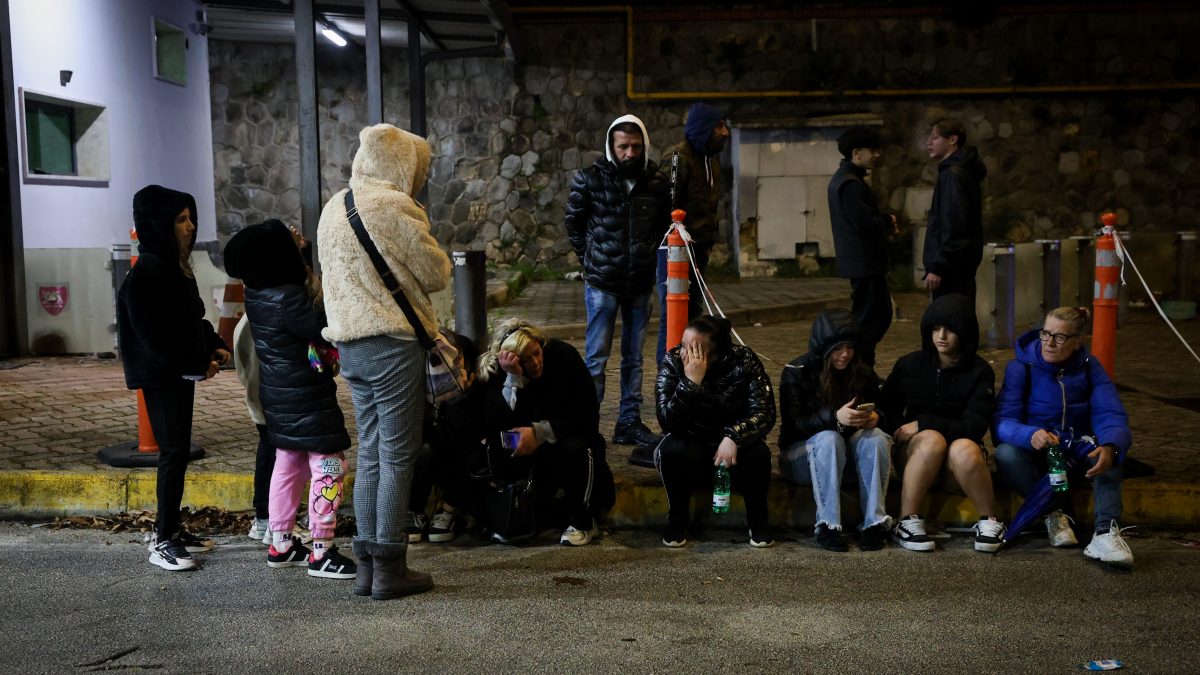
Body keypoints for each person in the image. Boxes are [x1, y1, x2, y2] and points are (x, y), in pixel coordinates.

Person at [318, 123, 451, 600]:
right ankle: (391, 567)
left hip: (350, 345)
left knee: (371, 451)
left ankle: (367, 566)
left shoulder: (333, 207)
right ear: (402, 164)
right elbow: (436, 273)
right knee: (397, 455)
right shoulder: (393, 205)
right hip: (392, 342)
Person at [225, 219, 356, 580]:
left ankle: (281, 543)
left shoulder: (257, 293)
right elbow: (324, 325)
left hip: (278, 400)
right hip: (307, 398)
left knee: (287, 467)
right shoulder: (291, 299)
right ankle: (321, 550)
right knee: (329, 467)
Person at [117, 185, 230, 572]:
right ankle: (162, 539)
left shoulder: (176, 267)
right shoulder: (149, 271)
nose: (190, 226)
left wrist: (212, 344)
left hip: (177, 372)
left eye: (190, 218)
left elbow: (191, 320)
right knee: (171, 452)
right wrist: (195, 365)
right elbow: (154, 336)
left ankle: (173, 530)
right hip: (161, 375)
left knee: (178, 450)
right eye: (180, 219)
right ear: (158, 224)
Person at [993, 306, 1134, 568]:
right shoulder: (1021, 367)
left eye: (1059, 337)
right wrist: (1030, 434)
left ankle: (1105, 534)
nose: (1049, 342)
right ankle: (1054, 514)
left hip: (1076, 448)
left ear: (1077, 341)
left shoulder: (1090, 368)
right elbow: (1003, 422)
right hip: (1041, 451)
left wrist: (1112, 444)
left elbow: (1110, 413)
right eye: (1045, 333)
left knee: (1109, 455)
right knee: (1005, 454)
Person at [564, 114, 670, 452]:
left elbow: (664, 226)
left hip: (640, 283)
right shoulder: (589, 179)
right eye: (623, 146)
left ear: (644, 146)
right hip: (602, 284)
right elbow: (574, 224)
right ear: (611, 147)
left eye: (635, 147)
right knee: (595, 357)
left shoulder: (657, 182)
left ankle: (628, 423)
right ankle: (587, 425)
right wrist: (592, 259)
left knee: (634, 358)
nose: (629, 153)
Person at [878, 293, 1006, 552]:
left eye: (950, 330)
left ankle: (990, 521)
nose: (942, 336)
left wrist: (924, 422)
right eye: (936, 328)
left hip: (957, 468)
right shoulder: (910, 365)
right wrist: (907, 428)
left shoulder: (979, 371)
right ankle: (907, 521)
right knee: (931, 439)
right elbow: (886, 410)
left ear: (965, 333)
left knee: (963, 446)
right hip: (916, 458)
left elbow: (974, 425)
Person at [477, 319, 615, 546]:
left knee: (575, 448)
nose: (534, 362)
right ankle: (512, 514)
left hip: (563, 437)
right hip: (526, 446)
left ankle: (584, 520)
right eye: (525, 359)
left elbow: (587, 413)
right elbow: (494, 422)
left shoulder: (562, 356)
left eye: (536, 353)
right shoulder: (499, 370)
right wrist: (513, 380)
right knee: (503, 442)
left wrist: (540, 433)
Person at [655, 315, 776, 548]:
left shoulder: (744, 361)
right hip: (692, 442)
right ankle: (677, 520)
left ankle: (758, 522)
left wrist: (733, 434)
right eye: (683, 344)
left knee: (759, 453)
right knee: (672, 450)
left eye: (692, 349)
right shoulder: (673, 361)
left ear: (714, 354)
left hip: (731, 448)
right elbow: (668, 421)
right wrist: (691, 383)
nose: (682, 353)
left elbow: (764, 412)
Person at [778, 309, 892, 552]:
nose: (845, 355)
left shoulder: (861, 370)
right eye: (838, 349)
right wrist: (834, 418)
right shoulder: (797, 371)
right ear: (824, 348)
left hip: (846, 458)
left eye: (850, 348)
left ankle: (874, 523)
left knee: (876, 438)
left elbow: (889, 412)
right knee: (829, 439)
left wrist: (875, 417)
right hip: (803, 457)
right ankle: (828, 526)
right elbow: (793, 425)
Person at [655, 103, 730, 366]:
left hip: (699, 255)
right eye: (720, 126)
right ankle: (668, 375)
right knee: (673, 317)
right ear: (705, 129)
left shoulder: (711, 159)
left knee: (694, 317)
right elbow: (666, 209)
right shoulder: (677, 158)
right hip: (675, 255)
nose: (725, 132)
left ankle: (690, 374)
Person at [828, 126, 897, 365]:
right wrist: (888, 222)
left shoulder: (848, 179)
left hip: (864, 262)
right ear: (857, 153)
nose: (877, 155)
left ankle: (861, 366)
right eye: (873, 150)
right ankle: (859, 368)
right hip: (864, 262)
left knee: (878, 315)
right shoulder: (850, 183)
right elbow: (864, 224)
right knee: (871, 319)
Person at [408, 331, 485, 544]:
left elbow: (469, 434)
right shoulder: (422, 384)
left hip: (463, 456)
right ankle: (415, 510)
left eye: (453, 359)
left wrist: (460, 398)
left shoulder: (477, 383)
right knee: (422, 451)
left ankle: (449, 510)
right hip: (434, 454)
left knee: (471, 452)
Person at [922, 118, 987, 301]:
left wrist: (939, 266)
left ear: (952, 140)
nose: (929, 142)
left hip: (952, 270)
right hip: (958, 267)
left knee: (950, 321)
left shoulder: (953, 175)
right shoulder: (958, 171)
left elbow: (955, 225)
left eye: (935, 137)